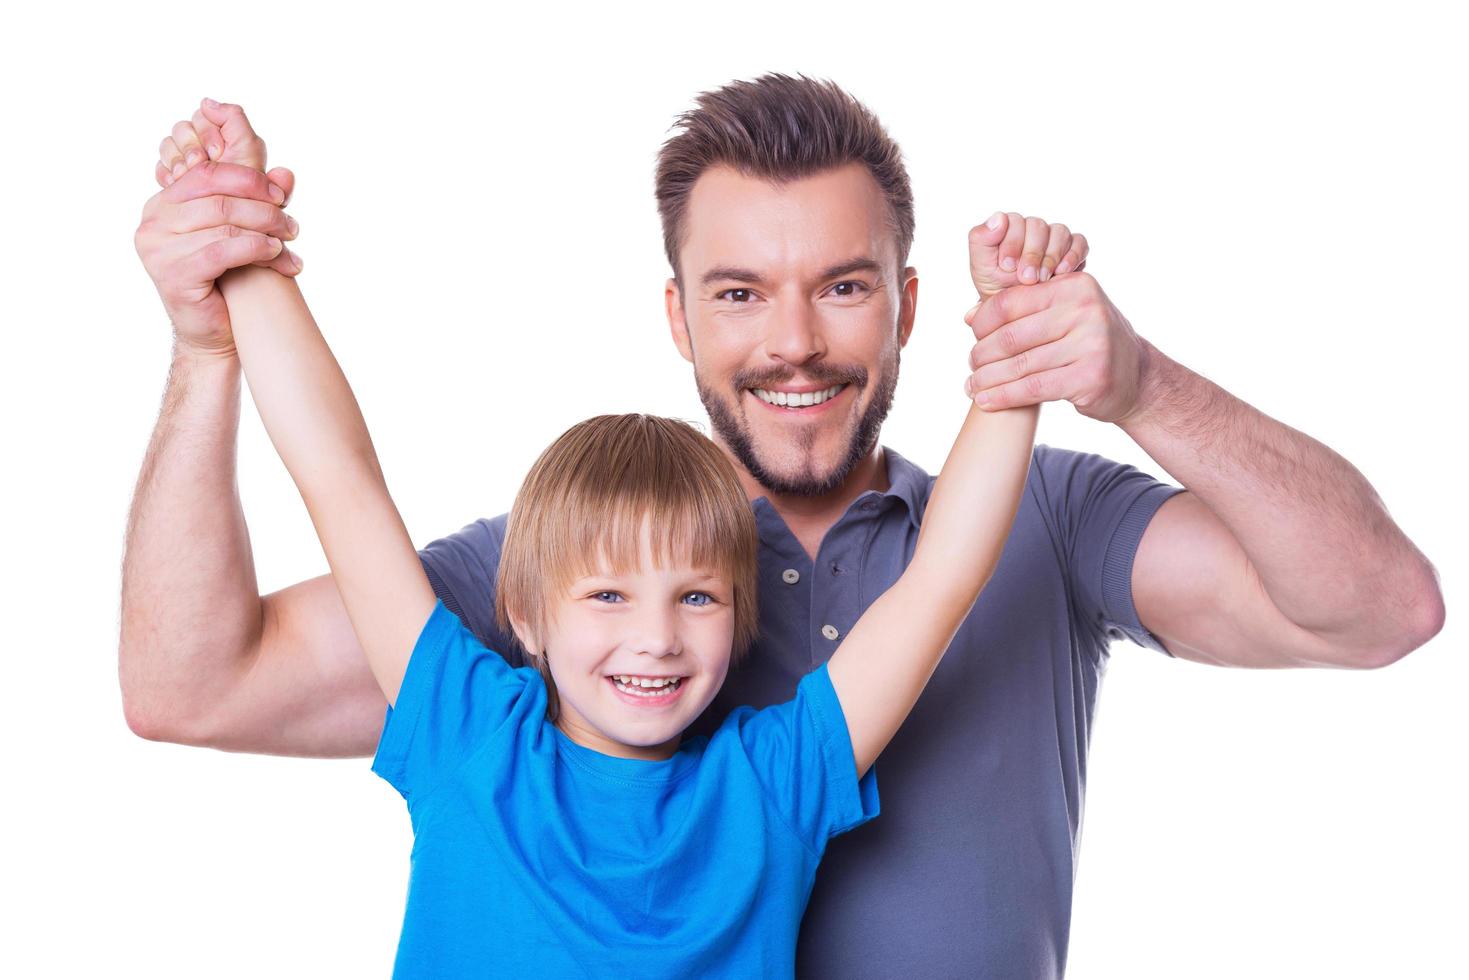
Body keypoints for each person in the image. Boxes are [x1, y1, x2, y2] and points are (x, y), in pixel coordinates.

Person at [124, 76, 1445, 979]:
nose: (795, 339)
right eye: (742, 291)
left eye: (844, 288)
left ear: (907, 306)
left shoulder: (772, 775)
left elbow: (938, 588)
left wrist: (1055, 366)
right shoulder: (488, 687)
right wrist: (230, 288)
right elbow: (326, 497)